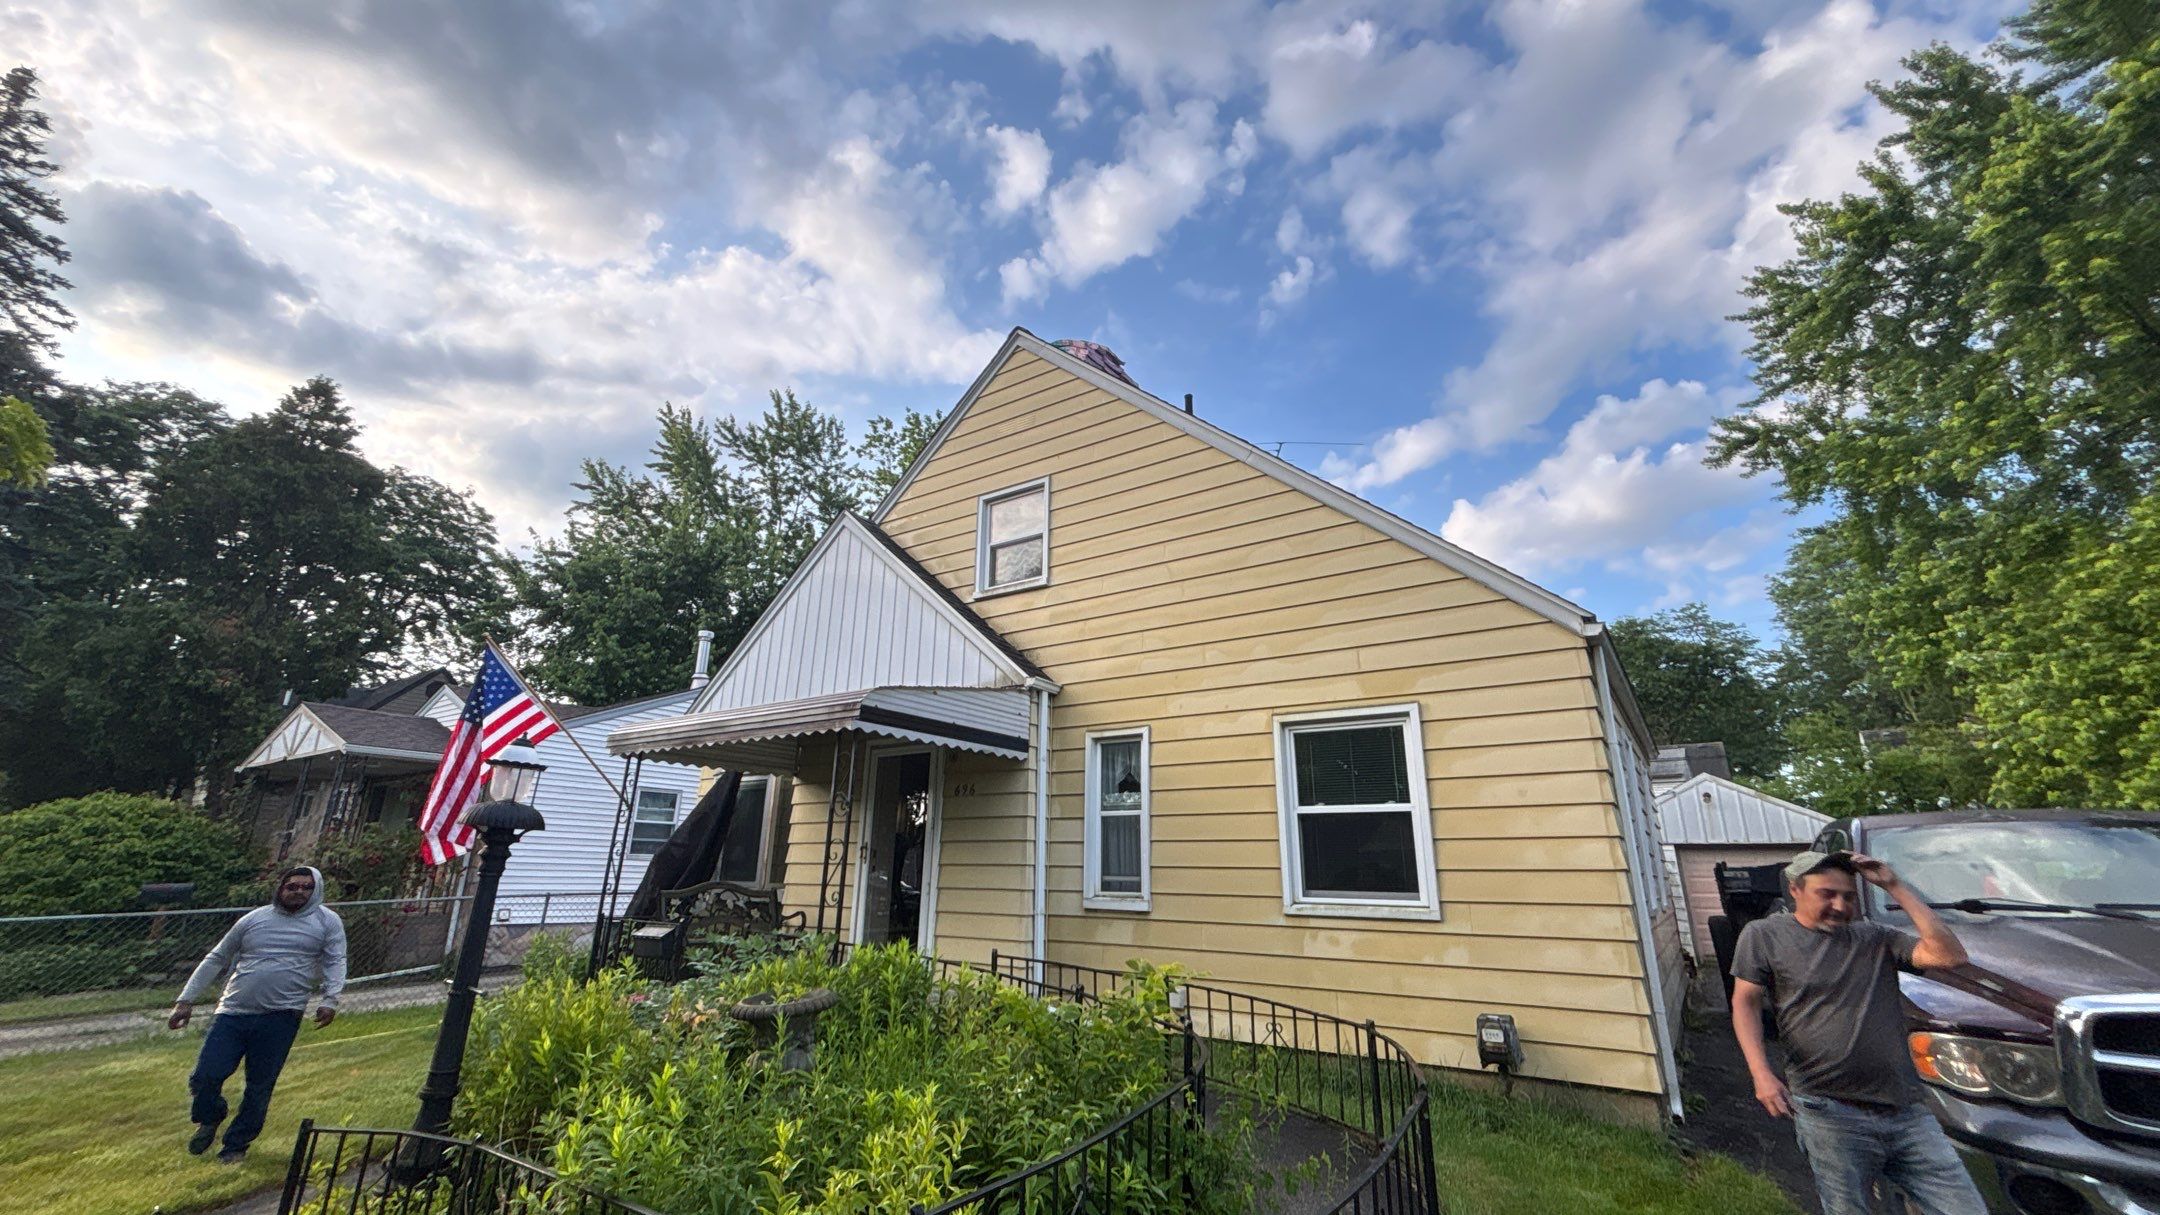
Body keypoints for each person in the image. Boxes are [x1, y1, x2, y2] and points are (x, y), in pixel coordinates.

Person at [1730, 850, 1984, 1215]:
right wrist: (1761, 1074)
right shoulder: (1764, 935)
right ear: (1795, 890)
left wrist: (1894, 885)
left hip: (1905, 1109)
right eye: (1827, 894)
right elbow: (1746, 1003)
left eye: (1848, 896)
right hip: (1828, 1110)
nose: (1839, 905)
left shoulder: (1875, 939)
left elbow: (1949, 956)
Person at [169, 865, 347, 1163]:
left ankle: (235, 1146)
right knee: (206, 1074)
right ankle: (210, 1116)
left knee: (259, 1084)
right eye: (292, 886)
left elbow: (335, 961)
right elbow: (217, 957)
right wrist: (186, 1000)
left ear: (316, 890)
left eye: (306, 887)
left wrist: (330, 1000)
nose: (298, 892)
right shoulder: (255, 919)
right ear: (281, 889)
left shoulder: (327, 922)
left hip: (282, 1016)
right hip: (233, 1012)